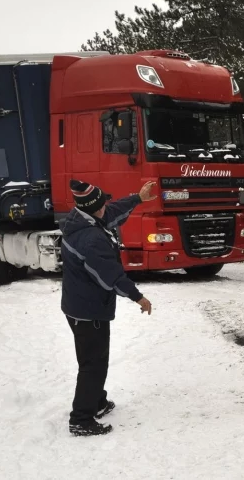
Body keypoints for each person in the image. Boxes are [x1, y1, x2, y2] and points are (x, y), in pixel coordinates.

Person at [60, 179, 157, 437]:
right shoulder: (90, 239)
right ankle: (81, 419)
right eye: (104, 203)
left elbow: (113, 211)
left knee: (94, 360)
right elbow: (110, 276)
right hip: (87, 311)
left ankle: (97, 402)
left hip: (81, 305)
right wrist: (138, 297)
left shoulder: (82, 218)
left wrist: (138, 197)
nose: (107, 207)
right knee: (93, 364)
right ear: (95, 207)